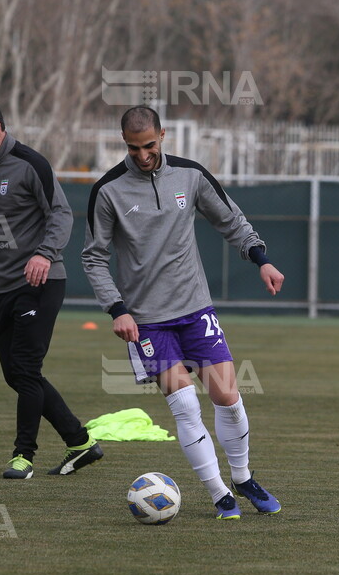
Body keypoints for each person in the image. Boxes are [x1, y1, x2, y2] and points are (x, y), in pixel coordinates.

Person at [81, 106, 284, 520]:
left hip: (194, 308)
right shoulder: (108, 190)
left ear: (163, 136)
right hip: (146, 319)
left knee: (227, 395)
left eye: (150, 146)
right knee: (186, 405)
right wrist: (117, 309)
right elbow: (93, 258)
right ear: (125, 143)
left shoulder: (190, 175)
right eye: (133, 148)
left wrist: (261, 258)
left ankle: (243, 478)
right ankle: (219, 494)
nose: (142, 155)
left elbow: (232, 220)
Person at [0, 98, 103, 480]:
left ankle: (23, 457)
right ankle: (79, 440)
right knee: (16, 375)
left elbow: (61, 213)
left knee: (25, 368)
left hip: (41, 281)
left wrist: (43, 253)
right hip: (4, 287)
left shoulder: (30, 163)